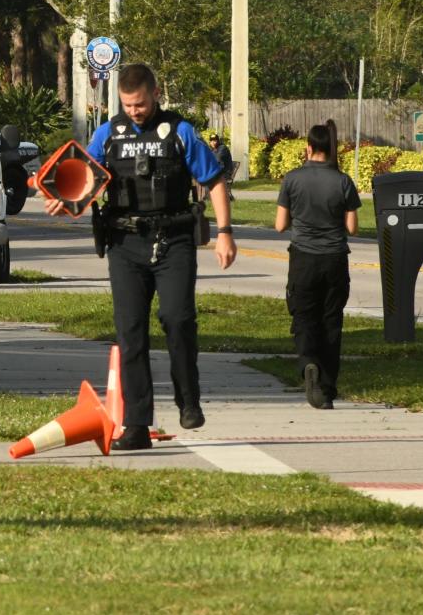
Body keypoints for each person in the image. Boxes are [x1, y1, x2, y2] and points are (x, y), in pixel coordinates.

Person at [44, 63, 237, 450]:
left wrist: (225, 233)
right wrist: (60, 199)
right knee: (130, 333)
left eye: (141, 104)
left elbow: (213, 180)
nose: (135, 111)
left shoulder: (179, 132)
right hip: (125, 243)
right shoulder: (108, 134)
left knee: (177, 319)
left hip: (174, 239)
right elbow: (81, 175)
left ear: (155, 93)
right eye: (128, 105)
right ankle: (136, 425)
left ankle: (188, 400)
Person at [274, 120, 360, 409]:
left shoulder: (292, 179)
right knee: (331, 321)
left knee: (304, 318)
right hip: (335, 258)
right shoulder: (343, 181)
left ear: (308, 148)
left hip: (303, 258)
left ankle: (309, 363)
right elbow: (352, 227)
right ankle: (328, 386)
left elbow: (279, 225)